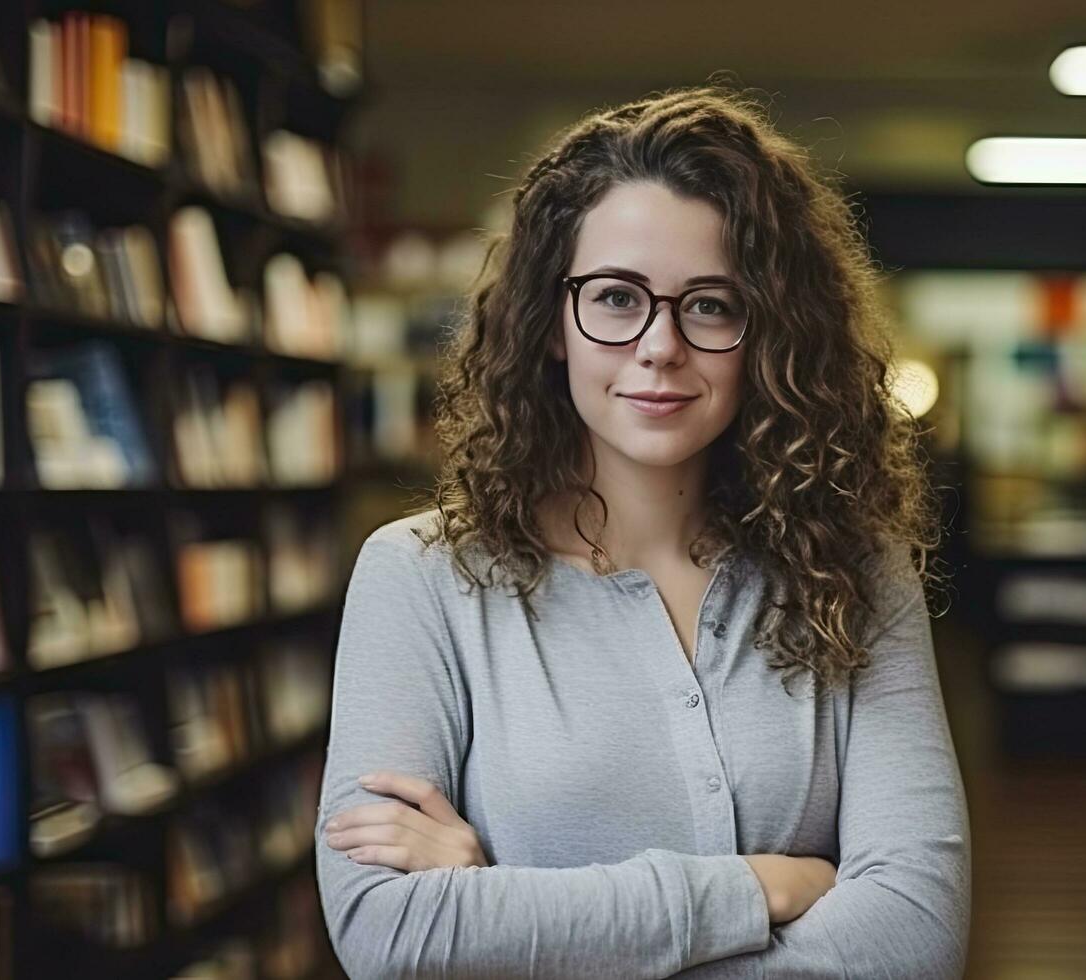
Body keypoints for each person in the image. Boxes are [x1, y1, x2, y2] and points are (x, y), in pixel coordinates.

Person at [315, 82, 970, 979]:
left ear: (768, 330)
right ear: (552, 320)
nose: (660, 345)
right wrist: (762, 888)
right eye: (617, 298)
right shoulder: (420, 578)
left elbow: (912, 939)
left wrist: (502, 907)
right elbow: (389, 935)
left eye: (710, 303)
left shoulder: (855, 570)